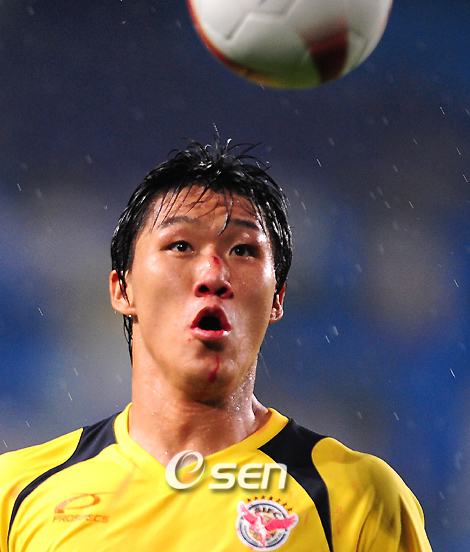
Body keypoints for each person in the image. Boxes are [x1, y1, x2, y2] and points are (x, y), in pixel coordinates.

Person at [0, 136, 432, 551]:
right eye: (181, 245)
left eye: (242, 250)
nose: (212, 274)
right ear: (123, 289)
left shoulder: (356, 498)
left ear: (277, 298)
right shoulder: (17, 494)